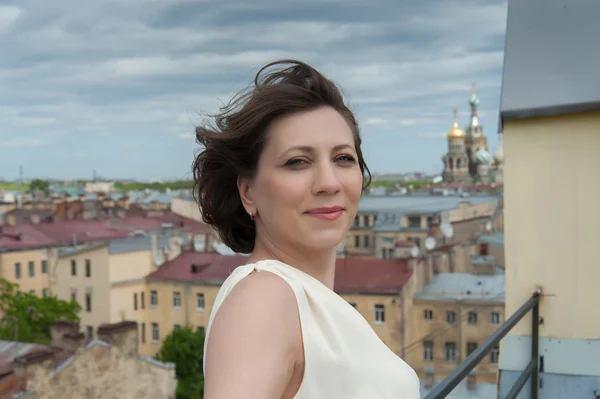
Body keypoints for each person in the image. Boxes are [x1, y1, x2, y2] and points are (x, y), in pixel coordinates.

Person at [193, 59, 420, 399]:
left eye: (343, 158)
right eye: (297, 161)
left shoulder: (304, 300)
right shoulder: (263, 299)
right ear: (248, 192)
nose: (328, 183)